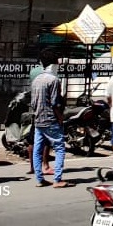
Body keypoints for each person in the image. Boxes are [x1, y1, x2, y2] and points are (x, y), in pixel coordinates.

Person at [31, 50, 71, 188]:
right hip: (51, 119)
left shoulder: (36, 79)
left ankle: (39, 179)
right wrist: (60, 118)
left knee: (37, 150)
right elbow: (55, 103)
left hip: (38, 119)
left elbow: (33, 102)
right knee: (60, 148)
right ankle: (57, 179)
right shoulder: (53, 80)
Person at [27, 61, 51, 176]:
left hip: (34, 110)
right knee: (45, 141)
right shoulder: (49, 73)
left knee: (32, 140)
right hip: (46, 111)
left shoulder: (34, 72)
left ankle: (33, 167)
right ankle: (45, 165)